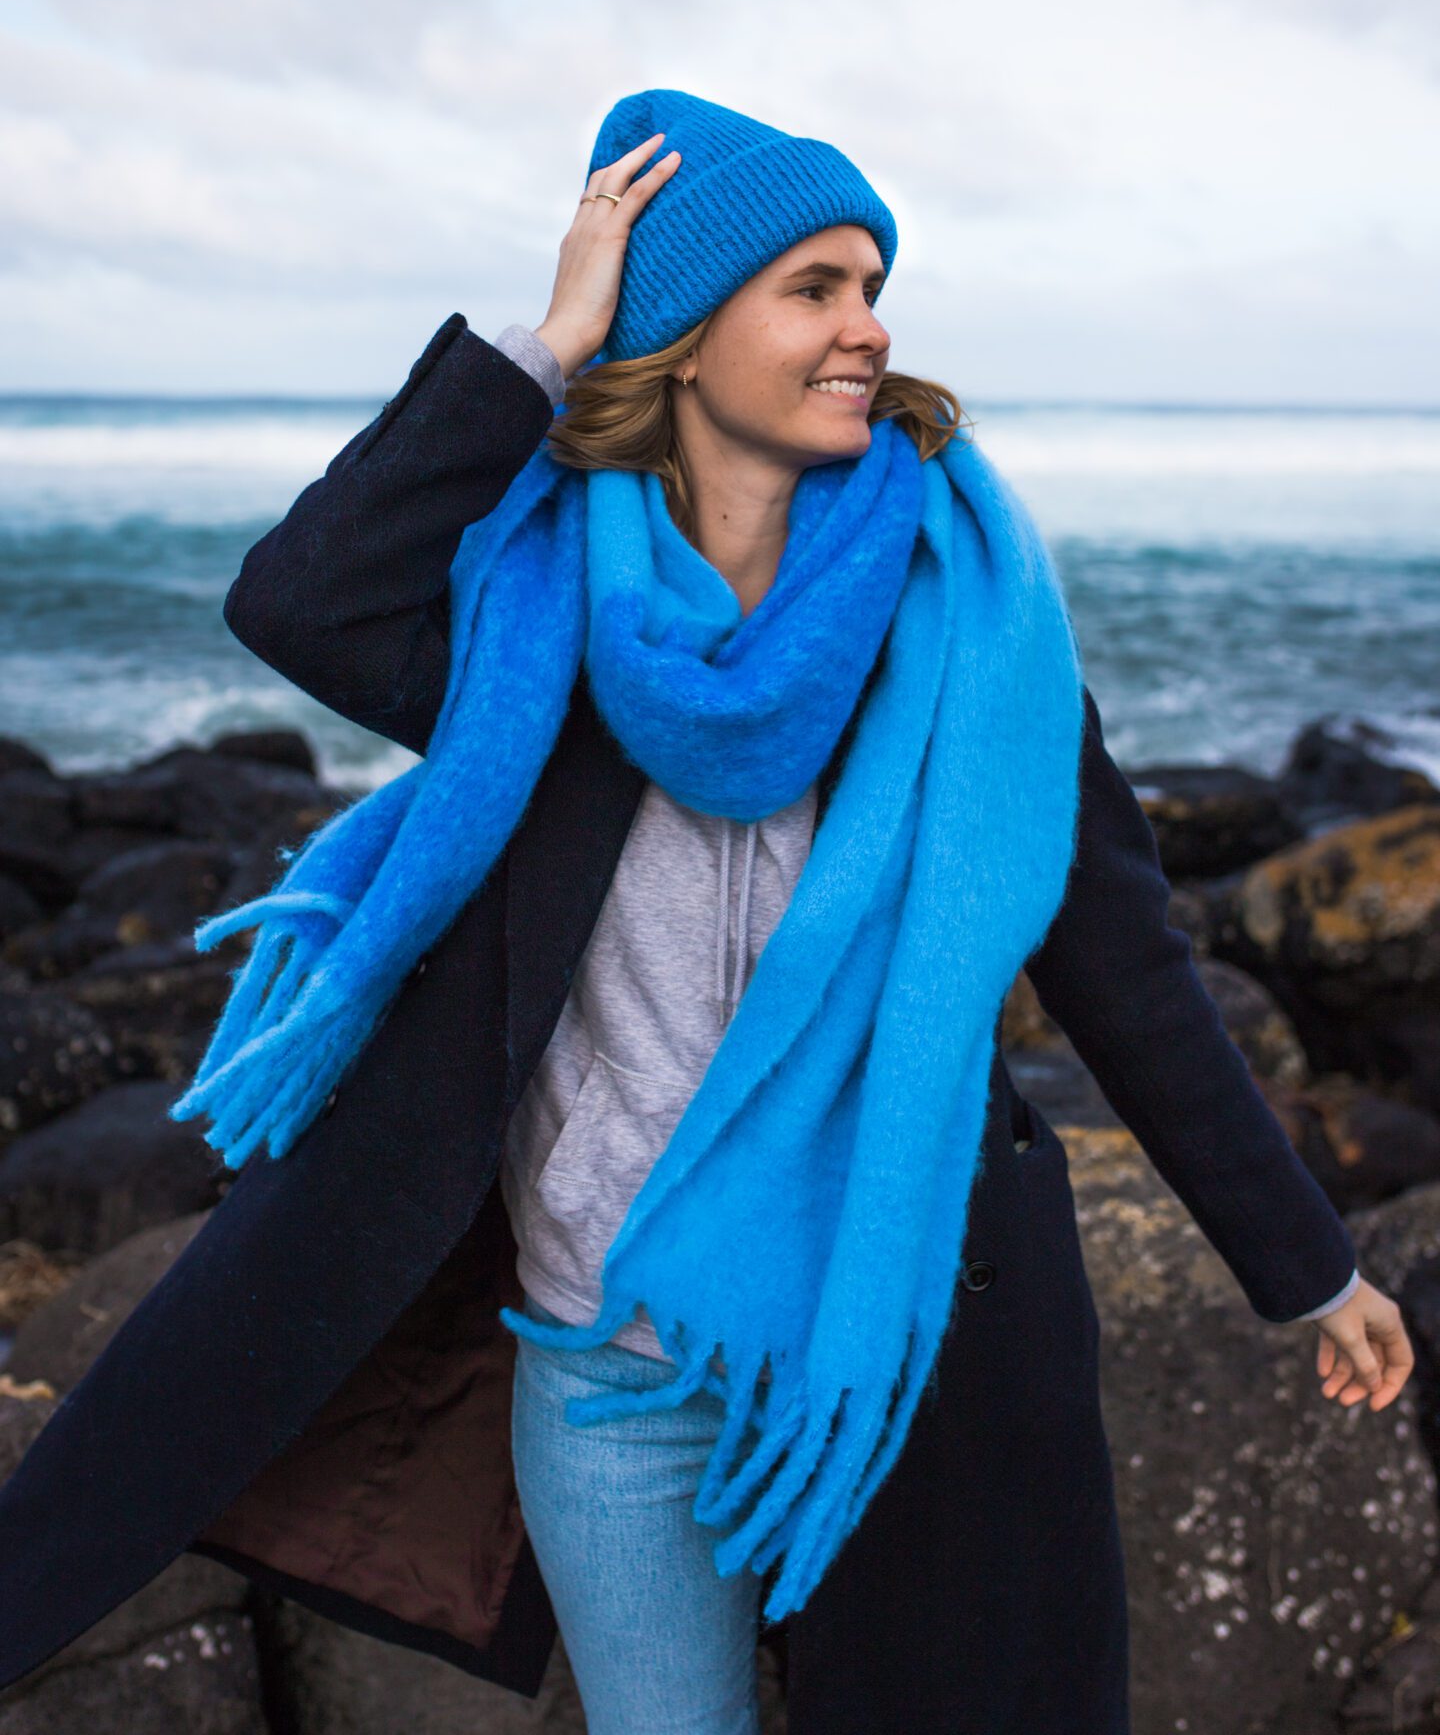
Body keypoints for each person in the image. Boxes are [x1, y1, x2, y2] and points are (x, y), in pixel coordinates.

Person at [0, 90, 1413, 1735]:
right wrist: (549, 339)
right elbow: (303, 596)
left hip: (889, 1343)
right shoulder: (546, 623)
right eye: (813, 288)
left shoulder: (970, 631)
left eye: (874, 289)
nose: (865, 329)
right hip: (604, 1353)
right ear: (685, 334)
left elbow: (1125, 965)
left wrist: (1304, 1265)